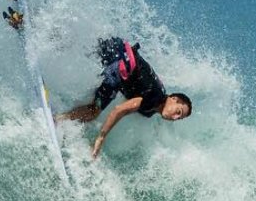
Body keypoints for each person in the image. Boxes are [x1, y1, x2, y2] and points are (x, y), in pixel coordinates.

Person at [59, 37, 192, 158]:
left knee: (80, 49)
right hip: (117, 58)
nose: (175, 117)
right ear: (174, 98)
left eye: (178, 118)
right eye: (178, 112)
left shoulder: (153, 108)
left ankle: (59, 40)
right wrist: (101, 137)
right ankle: (58, 119)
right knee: (93, 111)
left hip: (118, 50)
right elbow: (119, 109)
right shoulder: (155, 97)